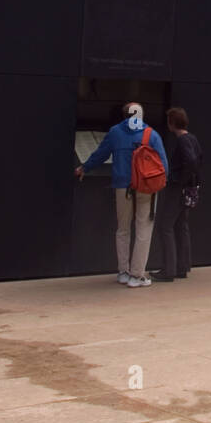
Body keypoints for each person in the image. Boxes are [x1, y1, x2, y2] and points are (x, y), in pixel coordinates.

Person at [75, 102, 169, 288]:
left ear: (124, 115)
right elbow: (163, 165)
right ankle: (137, 275)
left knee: (123, 229)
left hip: (122, 186)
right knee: (143, 230)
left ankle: (123, 272)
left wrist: (84, 168)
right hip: (145, 188)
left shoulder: (115, 132)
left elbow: (100, 154)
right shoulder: (152, 134)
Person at [152, 106, 201, 282]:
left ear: (171, 123)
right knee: (181, 225)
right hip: (189, 190)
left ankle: (169, 269)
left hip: (178, 189)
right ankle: (182, 266)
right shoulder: (193, 139)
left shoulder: (182, 141)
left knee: (165, 226)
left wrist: (179, 180)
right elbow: (197, 160)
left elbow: (191, 161)